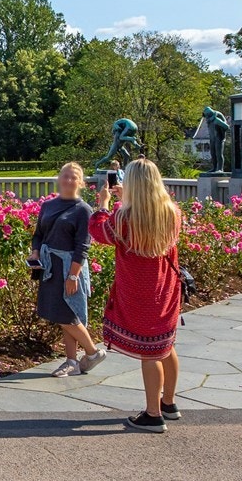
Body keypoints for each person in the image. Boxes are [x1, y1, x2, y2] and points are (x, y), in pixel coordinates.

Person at [90, 158, 184, 432]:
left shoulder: (123, 217)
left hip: (139, 291)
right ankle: (169, 403)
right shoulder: (172, 212)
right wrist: (125, 202)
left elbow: (99, 231)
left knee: (150, 353)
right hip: (166, 288)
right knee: (166, 345)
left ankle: (153, 415)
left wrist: (104, 205)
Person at [30, 163, 106, 378]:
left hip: (69, 267)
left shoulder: (83, 210)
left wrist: (73, 275)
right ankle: (71, 361)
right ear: (59, 178)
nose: (69, 180)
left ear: (80, 182)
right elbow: (38, 234)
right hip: (49, 266)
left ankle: (92, 353)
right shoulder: (48, 205)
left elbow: (83, 246)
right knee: (63, 314)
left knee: (67, 315)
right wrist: (35, 253)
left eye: (74, 177)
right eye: (65, 176)